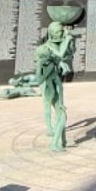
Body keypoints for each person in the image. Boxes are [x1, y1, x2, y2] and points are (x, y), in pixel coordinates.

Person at [34, 21, 74, 152]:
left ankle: (62, 141)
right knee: (58, 112)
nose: (61, 34)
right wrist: (67, 40)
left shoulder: (47, 54)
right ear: (51, 33)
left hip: (50, 82)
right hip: (50, 84)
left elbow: (67, 53)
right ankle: (54, 138)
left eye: (61, 31)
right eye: (57, 32)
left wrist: (70, 41)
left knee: (58, 112)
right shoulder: (47, 47)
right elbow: (61, 55)